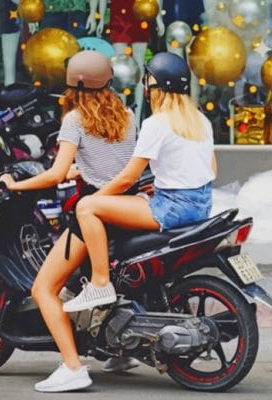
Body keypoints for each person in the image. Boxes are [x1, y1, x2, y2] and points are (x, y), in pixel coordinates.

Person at [0, 50, 137, 392]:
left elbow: (54, 174)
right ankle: (121, 351)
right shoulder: (128, 115)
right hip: (126, 208)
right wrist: (83, 169)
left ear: (74, 86)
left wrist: (16, 184)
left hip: (93, 213)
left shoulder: (75, 120)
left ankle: (73, 367)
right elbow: (115, 164)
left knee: (43, 288)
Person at [62, 52, 216, 319]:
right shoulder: (200, 120)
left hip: (171, 208)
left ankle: (100, 283)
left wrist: (97, 198)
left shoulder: (156, 123)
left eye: (148, 82)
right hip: (200, 206)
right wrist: (165, 183)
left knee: (87, 208)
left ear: (157, 88)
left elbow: (127, 179)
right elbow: (211, 169)